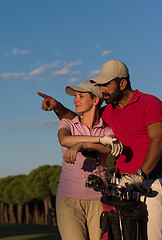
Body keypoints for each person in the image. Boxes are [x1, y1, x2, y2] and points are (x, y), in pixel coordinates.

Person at [38, 60, 162, 240]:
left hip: (147, 184)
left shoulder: (149, 102)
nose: (103, 89)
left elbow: (159, 141)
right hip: (119, 187)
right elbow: (79, 119)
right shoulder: (109, 111)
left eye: (106, 84)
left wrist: (140, 176)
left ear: (122, 83)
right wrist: (58, 107)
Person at [51, 80, 122, 240]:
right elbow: (64, 140)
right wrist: (99, 139)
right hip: (68, 199)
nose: (75, 100)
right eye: (75, 96)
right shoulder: (67, 123)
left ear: (96, 100)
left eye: (81, 96)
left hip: (99, 200)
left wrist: (81, 144)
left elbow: (107, 148)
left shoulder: (108, 130)